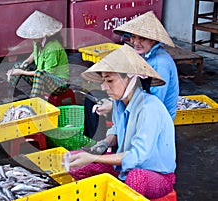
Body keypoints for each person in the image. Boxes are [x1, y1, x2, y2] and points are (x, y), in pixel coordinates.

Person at [66, 44, 176, 199]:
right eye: (104, 81)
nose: (104, 87)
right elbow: (117, 131)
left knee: (136, 179)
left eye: (110, 80)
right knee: (75, 161)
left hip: (155, 175)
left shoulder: (149, 108)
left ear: (131, 78)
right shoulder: (119, 102)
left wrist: (94, 158)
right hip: (123, 170)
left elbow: (137, 157)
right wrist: (104, 143)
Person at [84, 11, 179, 140]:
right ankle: (97, 142)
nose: (136, 42)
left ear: (154, 39)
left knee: (113, 106)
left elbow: (153, 101)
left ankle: (105, 145)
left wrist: (112, 105)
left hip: (153, 115)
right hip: (136, 98)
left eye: (142, 38)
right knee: (92, 97)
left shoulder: (160, 63)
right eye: (133, 37)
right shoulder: (142, 54)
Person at [6, 10, 69, 98]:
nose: (32, 38)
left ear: (43, 35)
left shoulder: (53, 48)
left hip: (59, 84)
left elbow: (46, 73)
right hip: (42, 78)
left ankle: (33, 102)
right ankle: (7, 94)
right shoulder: (37, 42)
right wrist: (26, 63)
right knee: (18, 66)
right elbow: (35, 53)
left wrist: (21, 72)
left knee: (39, 74)